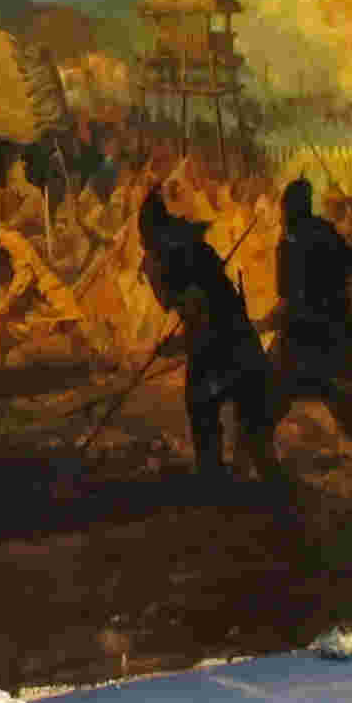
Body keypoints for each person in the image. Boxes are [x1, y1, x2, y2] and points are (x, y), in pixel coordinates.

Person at [137, 182, 280, 484]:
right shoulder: (181, 250)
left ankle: (225, 481)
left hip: (228, 346)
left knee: (214, 410)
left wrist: (177, 345)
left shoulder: (174, 259)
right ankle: (226, 479)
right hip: (228, 343)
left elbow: (204, 319)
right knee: (222, 417)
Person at [261, 176, 352, 496]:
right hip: (333, 339)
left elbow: (288, 301)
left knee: (263, 406)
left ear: (288, 208)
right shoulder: (327, 232)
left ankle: (259, 472)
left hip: (303, 340)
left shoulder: (289, 242)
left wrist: (261, 324)